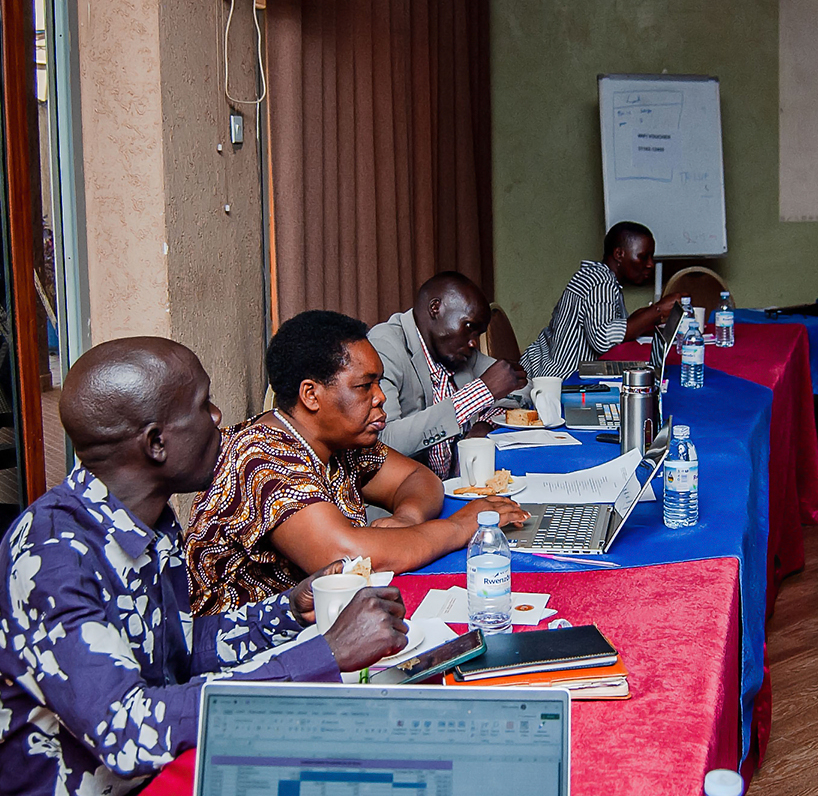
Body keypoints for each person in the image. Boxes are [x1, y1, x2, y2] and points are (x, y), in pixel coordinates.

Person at [0, 336, 409, 796]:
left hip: (171, 780)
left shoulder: (146, 522)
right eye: (204, 405)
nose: (219, 417)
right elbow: (130, 730)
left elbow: (179, 648)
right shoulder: (53, 560)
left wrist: (287, 611)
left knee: (366, 785)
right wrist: (324, 655)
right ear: (157, 443)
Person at [186, 310, 528, 617]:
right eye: (365, 386)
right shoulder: (263, 458)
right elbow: (345, 553)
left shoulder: (336, 440)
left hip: (323, 624)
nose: (380, 397)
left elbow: (416, 477)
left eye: (378, 383)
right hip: (239, 648)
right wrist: (460, 527)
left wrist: (407, 518)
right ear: (311, 395)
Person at [367, 272, 527, 477]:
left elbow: (522, 388)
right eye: (468, 327)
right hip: (410, 489)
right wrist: (479, 393)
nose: (473, 343)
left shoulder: (457, 352)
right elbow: (383, 441)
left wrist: (484, 424)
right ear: (436, 308)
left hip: (457, 484)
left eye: (478, 334)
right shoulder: (385, 346)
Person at [522, 220, 685, 379]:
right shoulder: (601, 282)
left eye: (651, 257)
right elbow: (603, 339)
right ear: (619, 254)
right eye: (643, 257)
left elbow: (619, 325)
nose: (650, 264)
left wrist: (653, 314)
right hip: (559, 379)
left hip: (543, 365)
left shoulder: (600, 276)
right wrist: (658, 310)